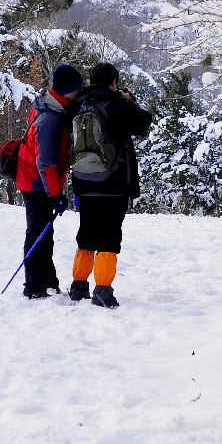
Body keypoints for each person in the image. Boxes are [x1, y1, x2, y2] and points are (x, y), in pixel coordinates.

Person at [68, 62, 153, 308]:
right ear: (113, 82)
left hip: (83, 181)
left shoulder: (76, 106)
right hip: (113, 182)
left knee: (86, 233)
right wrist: (129, 100)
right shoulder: (117, 105)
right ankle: (103, 289)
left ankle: (78, 284)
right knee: (109, 236)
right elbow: (144, 122)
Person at [15, 63, 84, 298]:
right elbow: (46, 163)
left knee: (45, 232)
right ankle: (33, 286)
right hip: (36, 183)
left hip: (37, 180)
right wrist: (55, 195)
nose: (79, 93)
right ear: (67, 90)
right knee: (38, 233)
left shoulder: (50, 106)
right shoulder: (51, 120)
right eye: (77, 89)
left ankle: (47, 279)